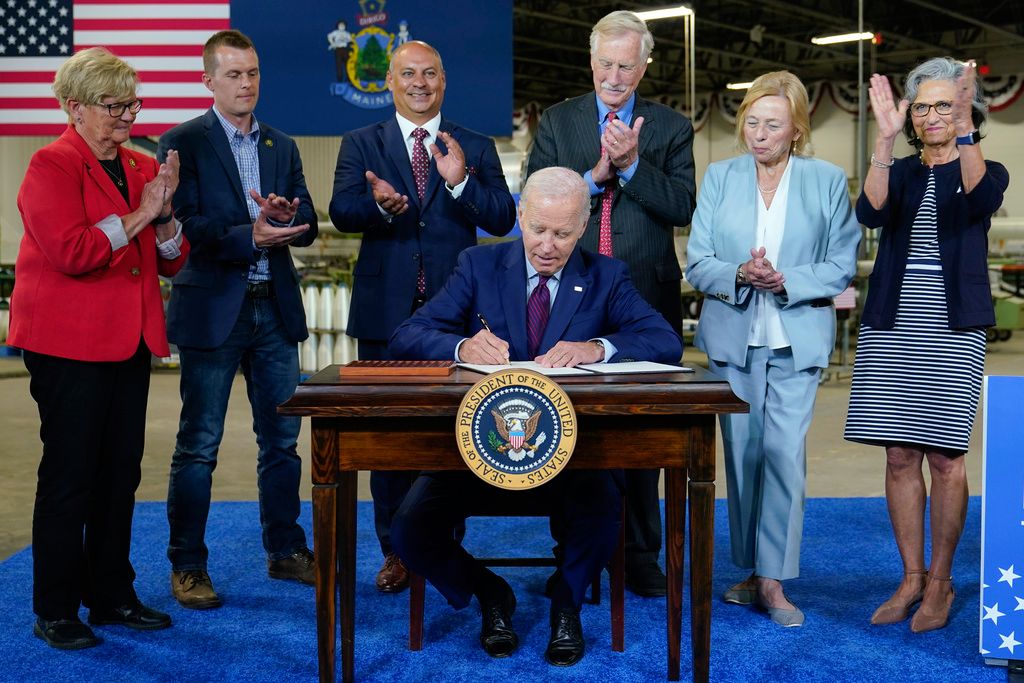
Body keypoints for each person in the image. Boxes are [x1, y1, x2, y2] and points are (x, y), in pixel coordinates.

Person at [389, 166, 682, 665]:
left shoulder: (607, 275)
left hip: (571, 454)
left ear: (583, 227)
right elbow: (407, 336)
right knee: (409, 528)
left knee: (606, 507)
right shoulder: (477, 266)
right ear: (520, 217)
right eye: (538, 229)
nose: (548, 245)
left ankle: (566, 602)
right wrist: (461, 344)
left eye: (563, 233)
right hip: (478, 451)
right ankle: (490, 593)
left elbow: (665, 341)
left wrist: (598, 347)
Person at [10, 47, 188, 649]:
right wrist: (142, 213)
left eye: (131, 106)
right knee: (70, 477)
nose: (125, 119)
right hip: (67, 346)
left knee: (120, 475)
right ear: (74, 108)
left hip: (129, 342)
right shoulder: (50, 167)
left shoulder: (141, 166)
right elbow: (74, 252)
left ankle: (111, 595)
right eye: (112, 108)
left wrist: (165, 220)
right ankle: (56, 608)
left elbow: (174, 261)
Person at [329, 40, 516, 593]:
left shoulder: (475, 146)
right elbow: (341, 212)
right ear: (388, 81)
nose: (419, 82)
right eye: (407, 73)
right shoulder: (361, 143)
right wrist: (379, 207)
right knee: (388, 440)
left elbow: (504, 217)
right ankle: (396, 551)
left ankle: (442, 546)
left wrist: (460, 182)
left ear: (443, 79)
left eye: (429, 73)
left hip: (455, 318)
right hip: (383, 313)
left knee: (454, 436)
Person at [525, 10, 695, 596]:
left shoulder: (671, 127)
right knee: (564, 427)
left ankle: (642, 554)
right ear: (590, 62)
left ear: (644, 66)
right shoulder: (558, 121)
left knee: (644, 432)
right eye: (605, 64)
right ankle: (573, 552)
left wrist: (633, 166)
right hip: (565, 293)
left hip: (644, 296)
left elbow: (683, 206)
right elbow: (535, 193)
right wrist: (596, 175)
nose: (615, 76)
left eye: (627, 66)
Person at [685, 71, 860, 627]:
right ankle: (751, 566)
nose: (760, 134)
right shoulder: (720, 176)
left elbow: (839, 265)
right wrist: (740, 270)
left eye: (773, 125)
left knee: (782, 455)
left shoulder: (826, 180)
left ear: (797, 130)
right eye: (752, 122)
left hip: (796, 339)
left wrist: (785, 278)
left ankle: (774, 578)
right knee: (742, 458)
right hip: (733, 340)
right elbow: (698, 259)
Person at [157, 29, 319, 610]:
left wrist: (286, 217)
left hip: (274, 310)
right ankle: (189, 565)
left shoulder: (282, 145)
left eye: (252, 73)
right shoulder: (183, 143)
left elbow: (311, 223)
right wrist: (247, 234)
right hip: (213, 311)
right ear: (209, 81)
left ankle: (285, 550)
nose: (246, 83)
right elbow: (184, 227)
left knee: (281, 441)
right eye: (233, 74)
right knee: (198, 445)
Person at [844, 58, 1008, 632]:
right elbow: (870, 211)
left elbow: (979, 199)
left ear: (964, 111)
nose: (932, 114)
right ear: (909, 115)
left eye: (945, 104)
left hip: (952, 328)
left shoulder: (987, 166)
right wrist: (884, 142)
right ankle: (910, 576)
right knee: (897, 455)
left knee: (947, 458)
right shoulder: (902, 167)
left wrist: (964, 131)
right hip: (891, 324)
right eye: (923, 106)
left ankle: (941, 580)